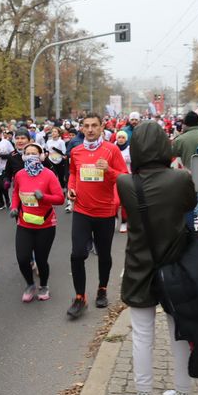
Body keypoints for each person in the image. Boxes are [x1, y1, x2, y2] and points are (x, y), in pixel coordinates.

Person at [118, 121, 196, 395]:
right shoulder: (181, 178)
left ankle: (141, 394)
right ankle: (182, 393)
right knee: (180, 333)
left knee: (141, 335)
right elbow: (188, 205)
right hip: (177, 266)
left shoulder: (125, 183)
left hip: (139, 267)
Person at [66, 113, 128, 319]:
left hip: (105, 212)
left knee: (104, 253)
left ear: (102, 127)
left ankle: (102, 289)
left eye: (94, 125)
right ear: (81, 128)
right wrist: (71, 188)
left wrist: (108, 170)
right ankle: (79, 297)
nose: (90, 129)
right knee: (77, 254)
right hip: (82, 210)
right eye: (86, 126)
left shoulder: (111, 150)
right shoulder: (75, 151)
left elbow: (125, 177)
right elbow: (74, 173)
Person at [10, 143, 64, 302]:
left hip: (45, 225)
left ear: (41, 156)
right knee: (22, 258)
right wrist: (14, 207)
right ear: (23, 156)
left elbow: (60, 198)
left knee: (41, 260)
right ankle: (30, 285)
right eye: (28, 153)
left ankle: (44, 286)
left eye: (35, 153)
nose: (31, 155)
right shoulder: (20, 174)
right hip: (24, 223)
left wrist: (44, 197)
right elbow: (16, 193)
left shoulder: (49, 175)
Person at [172, 111, 198, 231]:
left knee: (189, 205)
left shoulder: (181, 139)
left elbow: (172, 154)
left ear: (185, 124)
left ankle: (190, 231)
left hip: (188, 177)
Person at [115, 131, 132, 233]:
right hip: (114, 178)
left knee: (125, 202)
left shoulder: (130, 149)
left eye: (123, 137)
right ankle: (115, 217)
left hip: (127, 177)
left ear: (126, 139)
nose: (121, 139)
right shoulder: (112, 147)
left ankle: (124, 222)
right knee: (115, 201)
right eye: (119, 137)